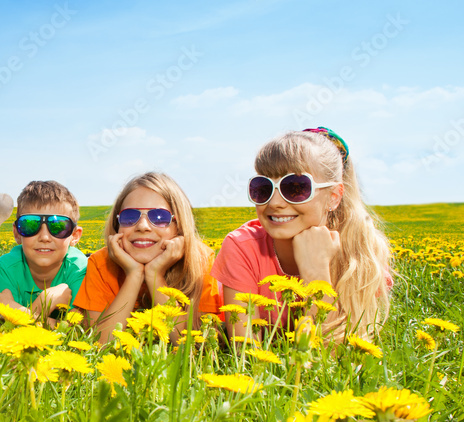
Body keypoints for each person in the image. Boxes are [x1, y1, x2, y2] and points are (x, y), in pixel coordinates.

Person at [211, 127, 391, 338]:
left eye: (296, 188)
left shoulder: (359, 252)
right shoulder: (242, 247)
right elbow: (245, 352)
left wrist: (316, 274)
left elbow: (332, 357)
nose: (275, 202)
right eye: (263, 187)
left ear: (333, 196)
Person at [74, 172, 222, 342]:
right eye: (130, 217)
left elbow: (194, 346)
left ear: (179, 226)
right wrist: (134, 275)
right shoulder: (101, 263)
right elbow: (101, 343)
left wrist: (154, 276)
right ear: (117, 225)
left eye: (159, 217)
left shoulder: (200, 261)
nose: (143, 226)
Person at [0, 180, 86, 322]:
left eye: (58, 226)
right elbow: (2, 323)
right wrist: (44, 304)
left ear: (75, 236)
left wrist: (15, 312)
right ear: (17, 233)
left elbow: (78, 330)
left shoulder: (81, 269)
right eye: (30, 225)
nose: (44, 237)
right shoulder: (6, 267)